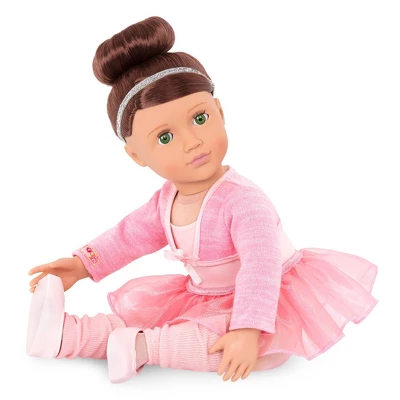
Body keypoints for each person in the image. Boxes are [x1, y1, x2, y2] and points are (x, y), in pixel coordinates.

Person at [26, 16, 378, 384]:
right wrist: (82, 264)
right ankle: (68, 336)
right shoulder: (166, 200)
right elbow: (128, 236)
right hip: (204, 297)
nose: (192, 141)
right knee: (147, 317)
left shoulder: (243, 202)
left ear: (219, 112)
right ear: (136, 155)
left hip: (263, 302)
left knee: (243, 348)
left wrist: (247, 328)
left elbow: (261, 267)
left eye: (199, 118)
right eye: (165, 138)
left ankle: (143, 347)